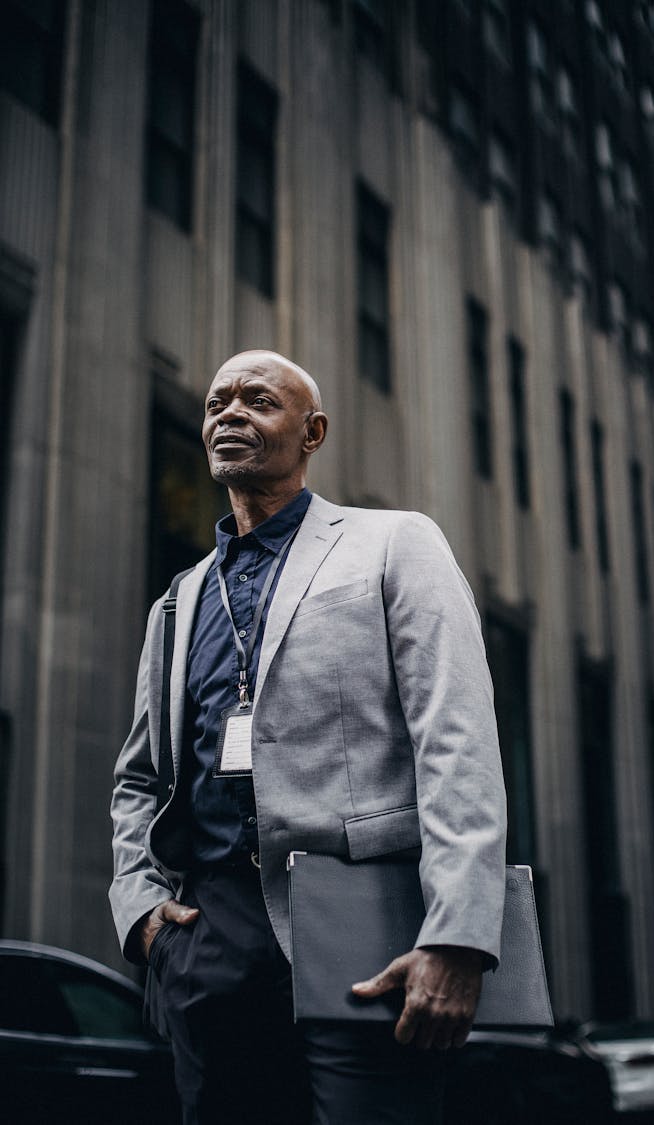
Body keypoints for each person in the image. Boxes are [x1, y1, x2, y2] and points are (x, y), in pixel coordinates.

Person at [110, 349, 506, 1124]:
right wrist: (142, 911)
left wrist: (458, 934)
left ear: (312, 431)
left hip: (367, 932)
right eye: (219, 401)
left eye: (258, 400)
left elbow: (455, 738)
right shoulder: (178, 602)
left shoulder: (396, 544)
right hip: (206, 943)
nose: (230, 413)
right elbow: (138, 778)